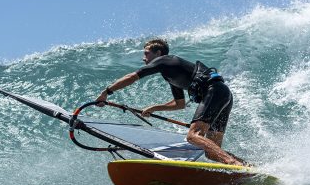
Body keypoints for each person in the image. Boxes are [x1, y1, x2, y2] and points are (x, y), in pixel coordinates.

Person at [95, 38, 245, 166]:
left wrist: (106, 93)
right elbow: (179, 104)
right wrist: (155, 108)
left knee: (193, 136)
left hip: (214, 92)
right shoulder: (170, 74)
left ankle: (233, 164)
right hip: (223, 95)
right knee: (212, 152)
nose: (143, 58)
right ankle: (247, 166)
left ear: (158, 53)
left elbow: (132, 77)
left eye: (146, 53)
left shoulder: (165, 60)